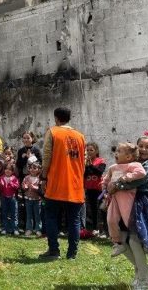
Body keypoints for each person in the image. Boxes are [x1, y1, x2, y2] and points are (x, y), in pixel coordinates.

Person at [109, 136, 148, 290]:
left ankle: (146, 281)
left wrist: (117, 185)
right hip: (126, 203)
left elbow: (138, 181)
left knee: (135, 240)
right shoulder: (132, 164)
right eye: (141, 145)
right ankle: (144, 270)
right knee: (122, 238)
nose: (143, 149)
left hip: (142, 205)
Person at [39, 107, 86, 260]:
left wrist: (44, 177)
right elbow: (83, 162)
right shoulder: (80, 136)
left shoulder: (53, 132)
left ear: (56, 118)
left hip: (56, 182)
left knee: (51, 216)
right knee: (74, 220)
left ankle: (54, 251)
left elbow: (46, 158)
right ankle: (72, 253)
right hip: (75, 183)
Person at [101, 143, 146, 257]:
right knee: (110, 220)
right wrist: (105, 189)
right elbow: (105, 180)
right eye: (116, 151)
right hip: (114, 197)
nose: (116, 153)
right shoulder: (112, 167)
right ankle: (118, 243)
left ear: (128, 157)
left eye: (119, 151)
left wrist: (126, 177)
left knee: (128, 220)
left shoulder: (133, 164)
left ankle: (144, 240)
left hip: (127, 197)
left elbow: (141, 173)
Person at [83, 142, 106, 235]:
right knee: (89, 209)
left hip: (98, 189)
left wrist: (90, 166)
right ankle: (91, 229)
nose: (89, 152)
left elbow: (99, 172)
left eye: (91, 150)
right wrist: (87, 166)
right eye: (87, 150)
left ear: (96, 151)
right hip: (89, 189)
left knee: (98, 209)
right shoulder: (85, 162)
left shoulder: (101, 161)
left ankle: (100, 229)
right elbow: (85, 174)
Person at [22, 162, 43, 237]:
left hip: (37, 200)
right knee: (29, 215)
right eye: (31, 168)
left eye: (35, 168)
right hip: (28, 199)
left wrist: (35, 188)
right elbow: (23, 186)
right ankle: (29, 229)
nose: (32, 169)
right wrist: (25, 187)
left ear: (38, 169)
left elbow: (41, 189)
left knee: (37, 215)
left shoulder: (39, 178)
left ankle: (38, 229)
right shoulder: (26, 178)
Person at [0, 164, 20, 235]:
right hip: (4, 197)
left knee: (14, 214)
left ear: (12, 171)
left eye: (10, 169)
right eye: (6, 169)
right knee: (4, 213)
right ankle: (4, 228)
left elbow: (17, 187)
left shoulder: (14, 178)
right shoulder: (1, 178)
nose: (8, 170)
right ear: (4, 170)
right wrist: (0, 185)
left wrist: (10, 183)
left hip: (12, 197)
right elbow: (0, 188)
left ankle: (15, 228)